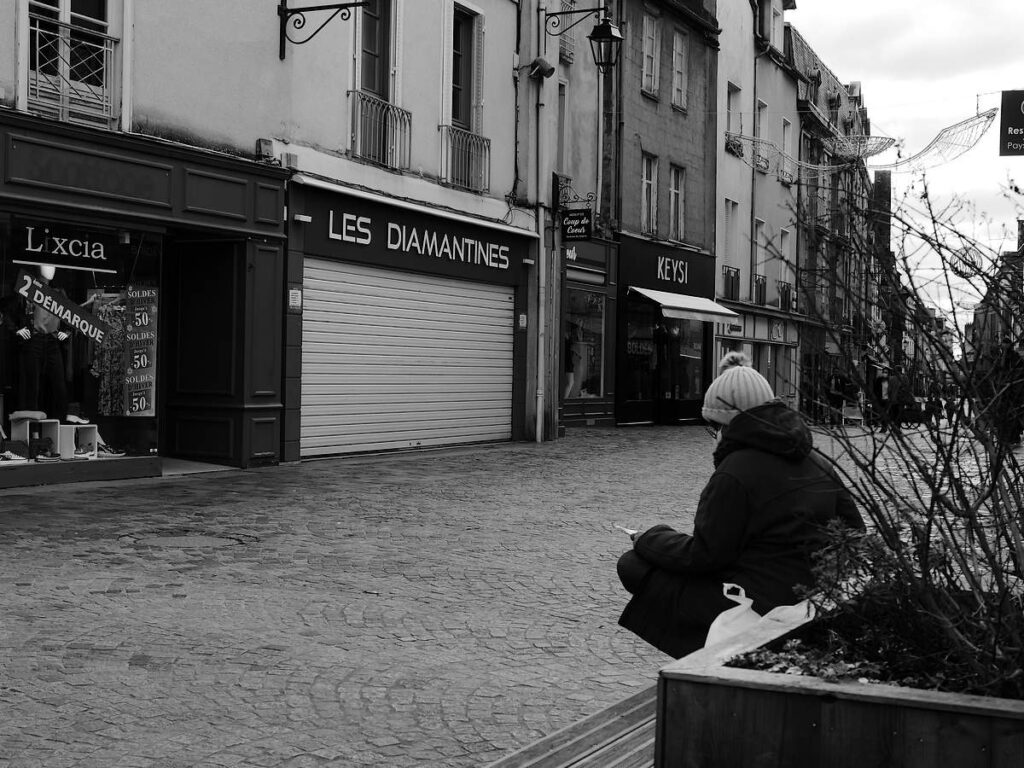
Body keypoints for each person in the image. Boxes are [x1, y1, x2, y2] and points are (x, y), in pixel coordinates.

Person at [615, 352, 865, 659]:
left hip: (758, 601)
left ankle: (708, 659)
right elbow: (854, 530)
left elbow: (705, 556)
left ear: (726, 424)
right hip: (808, 591)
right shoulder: (817, 460)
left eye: (713, 427)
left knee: (632, 565)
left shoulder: (736, 471)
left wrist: (649, 537)